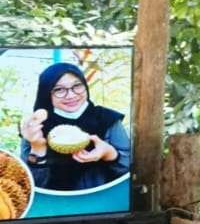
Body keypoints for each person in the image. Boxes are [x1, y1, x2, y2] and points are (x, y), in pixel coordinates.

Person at [17, 62, 130, 191]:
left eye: (77, 86)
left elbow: (130, 171)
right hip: (54, 205)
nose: (71, 95)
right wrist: (37, 148)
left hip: (102, 201)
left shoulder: (107, 119)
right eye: (59, 89)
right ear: (47, 93)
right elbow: (28, 185)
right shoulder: (35, 127)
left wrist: (109, 153)